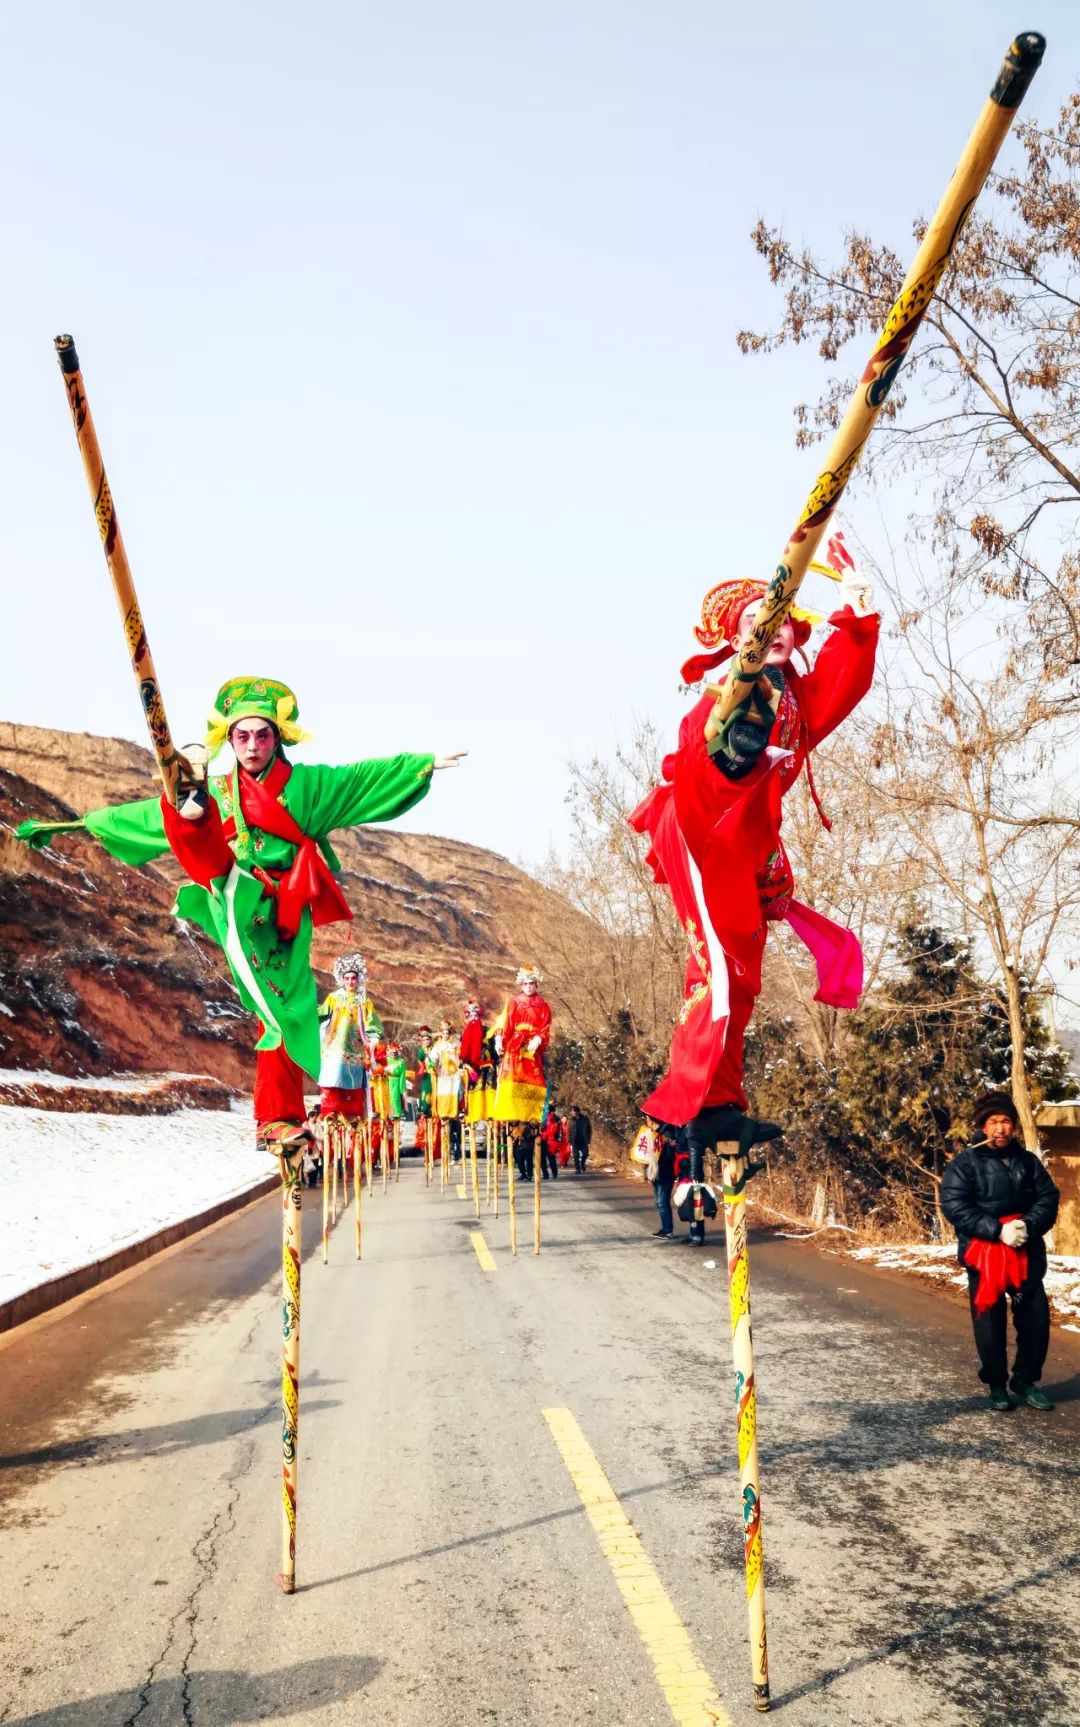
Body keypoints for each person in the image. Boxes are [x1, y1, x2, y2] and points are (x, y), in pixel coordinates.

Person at [16, 675, 465, 1170]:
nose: (252, 746)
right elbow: (135, 819)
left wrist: (421, 765)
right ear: (230, 741)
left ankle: (282, 1119)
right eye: (242, 736)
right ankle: (187, 805)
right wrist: (70, 826)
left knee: (286, 1013)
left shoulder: (307, 788)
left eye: (262, 735)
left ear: (278, 739)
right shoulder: (227, 791)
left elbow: (359, 778)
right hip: (236, 894)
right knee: (202, 845)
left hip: (288, 913)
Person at [630, 540, 879, 1240]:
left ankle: (721, 1101)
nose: (780, 638)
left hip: (747, 847)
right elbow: (689, 770)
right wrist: (727, 757)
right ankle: (685, 1101)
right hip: (705, 837)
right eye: (761, 631)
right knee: (713, 965)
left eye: (787, 628)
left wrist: (855, 610)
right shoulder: (721, 699)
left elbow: (841, 684)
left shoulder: (794, 700)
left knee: (742, 975)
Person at [941, 1090, 1060, 1412]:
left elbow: (1047, 1198)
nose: (1000, 1128)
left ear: (1014, 1125)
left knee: (1034, 1319)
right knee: (990, 1324)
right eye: (993, 1121)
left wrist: (1026, 1226)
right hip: (986, 1260)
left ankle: (1025, 1379)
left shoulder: (1028, 1162)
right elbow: (954, 1205)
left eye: (1006, 1121)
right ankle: (996, 1384)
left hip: (1025, 1257)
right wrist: (996, 1229)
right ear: (982, 1126)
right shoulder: (964, 1165)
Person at [494, 965, 552, 1125]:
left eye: (531, 983)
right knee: (513, 1077)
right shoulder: (514, 1003)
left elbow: (545, 1026)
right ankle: (512, 1111)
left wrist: (539, 1038)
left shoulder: (543, 1005)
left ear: (536, 985)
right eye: (526, 984)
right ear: (521, 985)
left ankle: (531, 1113)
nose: (528, 987)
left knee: (533, 1078)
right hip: (515, 1045)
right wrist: (499, 1038)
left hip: (533, 1046)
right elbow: (505, 1022)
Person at [645, 1120, 678, 1237]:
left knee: (662, 1202)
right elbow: (647, 1157)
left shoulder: (668, 1134)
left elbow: (670, 1157)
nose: (647, 1122)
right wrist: (648, 1174)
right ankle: (666, 1228)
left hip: (666, 1173)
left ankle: (668, 1230)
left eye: (649, 1120)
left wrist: (668, 1144)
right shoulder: (650, 1135)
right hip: (655, 1173)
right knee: (658, 1203)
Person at [540, 1110, 563, 1180]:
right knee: (545, 1159)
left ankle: (551, 1173)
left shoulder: (554, 1118)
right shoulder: (540, 1116)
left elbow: (556, 1130)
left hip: (549, 1141)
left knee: (549, 1158)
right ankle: (549, 1173)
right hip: (544, 1140)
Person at [569, 1104, 592, 1174]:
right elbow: (568, 1130)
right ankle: (577, 1169)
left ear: (578, 1112)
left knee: (585, 1154)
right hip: (574, 1140)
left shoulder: (585, 1119)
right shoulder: (571, 1120)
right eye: (572, 1111)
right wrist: (569, 1139)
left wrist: (588, 1138)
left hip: (583, 1139)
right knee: (575, 1156)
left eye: (574, 1111)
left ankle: (582, 1163)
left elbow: (589, 1129)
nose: (573, 1113)